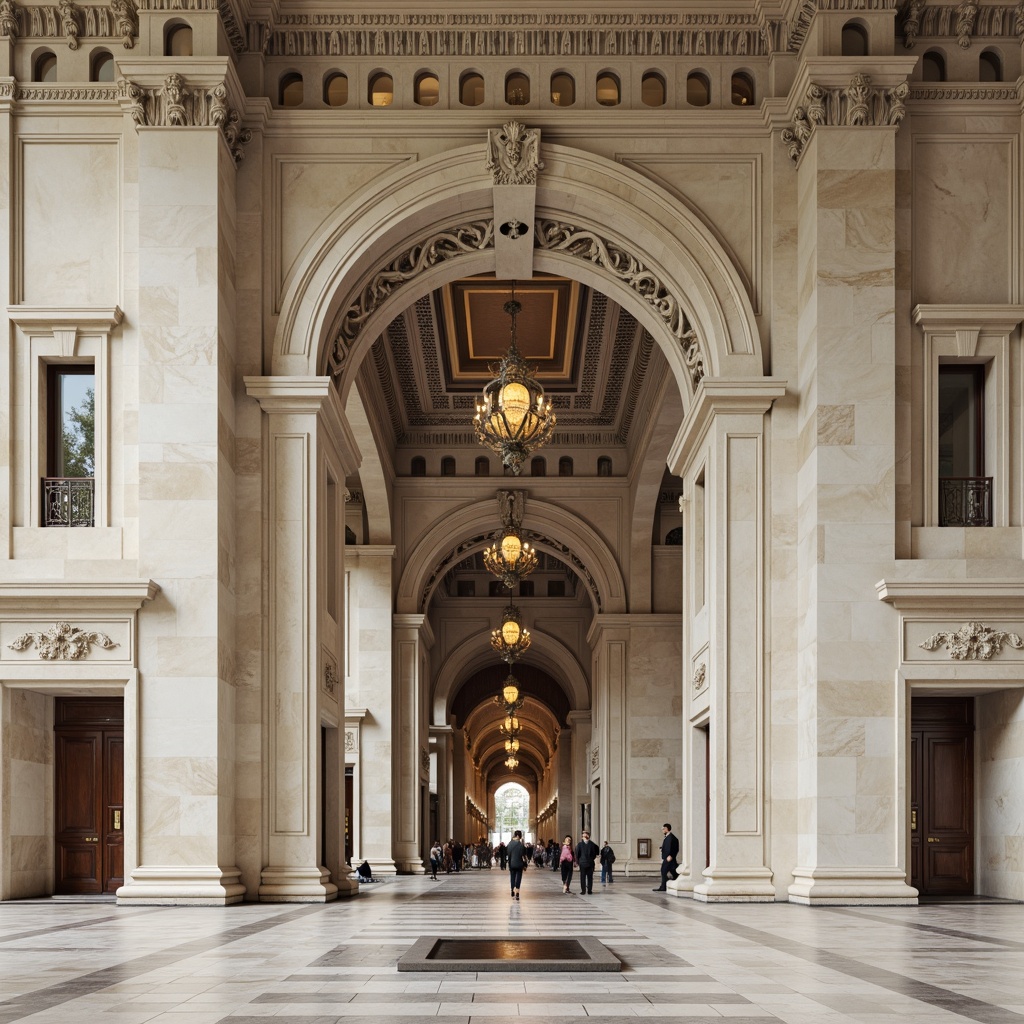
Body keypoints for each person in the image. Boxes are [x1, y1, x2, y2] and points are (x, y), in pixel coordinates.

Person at [653, 822, 679, 891]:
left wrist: (671, 856)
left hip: (669, 858)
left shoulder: (672, 838)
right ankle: (673, 882)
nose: (662, 830)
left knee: (663, 870)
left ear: (666, 829)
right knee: (673, 871)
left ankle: (663, 887)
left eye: (663, 829)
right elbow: (668, 847)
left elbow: (675, 848)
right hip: (667, 857)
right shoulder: (668, 837)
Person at [574, 830, 599, 894]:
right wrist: (578, 861)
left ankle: (589, 890)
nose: (585, 836)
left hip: (590, 863)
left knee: (590, 877)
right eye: (584, 835)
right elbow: (577, 854)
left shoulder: (592, 844)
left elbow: (595, 853)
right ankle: (583, 890)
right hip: (582, 863)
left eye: (586, 835)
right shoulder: (579, 845)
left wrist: (591, 859)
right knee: (582, 877)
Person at [506, 829, 526, 901]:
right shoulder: (521, 845)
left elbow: (508, 854)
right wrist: (525, 864)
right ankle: (517, 891)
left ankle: (512, 890)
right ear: (518, 836)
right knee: (519, 878)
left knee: (512, 877)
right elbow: (523, 855)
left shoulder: (510, 844)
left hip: (512, 863)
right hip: (519, 864)